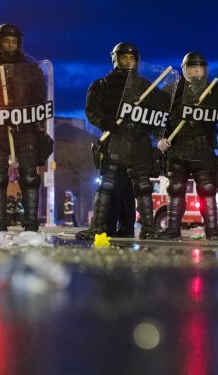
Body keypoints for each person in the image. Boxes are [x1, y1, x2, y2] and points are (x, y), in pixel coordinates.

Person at [77, 42, 170, 241]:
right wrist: (106, 123)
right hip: (114, 140)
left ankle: (148, 228)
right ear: (115, 59)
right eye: (124, 58)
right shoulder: (102, 85)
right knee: (107, 185)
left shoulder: (147, 86)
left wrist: (159, 133)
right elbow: (91, 110)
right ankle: (98, 227)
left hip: (140, 142)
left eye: (132, 58)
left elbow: (158, 116)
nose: (128, 62)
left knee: (143, 186)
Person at [0, 24, 53, 231]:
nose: (10, 44)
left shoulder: (32, 68)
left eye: (14, 41)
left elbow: (40, 97)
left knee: (29, 176)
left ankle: (31, 224)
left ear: (19, 43)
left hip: (25, 127)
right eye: (6, 41)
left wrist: (33, 113)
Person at [157, 52, 218, 241]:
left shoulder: (216, 90)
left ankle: (212, 231)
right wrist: (160, 137)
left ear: (205, 70)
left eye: (200, 68)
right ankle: (172, 229)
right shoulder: (171, 89)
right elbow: (159, 117)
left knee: (207, 188)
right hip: (178, 146)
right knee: (176, 187)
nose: (196, 71)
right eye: (192, 68)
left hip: (203, 147)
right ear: (184, 70)